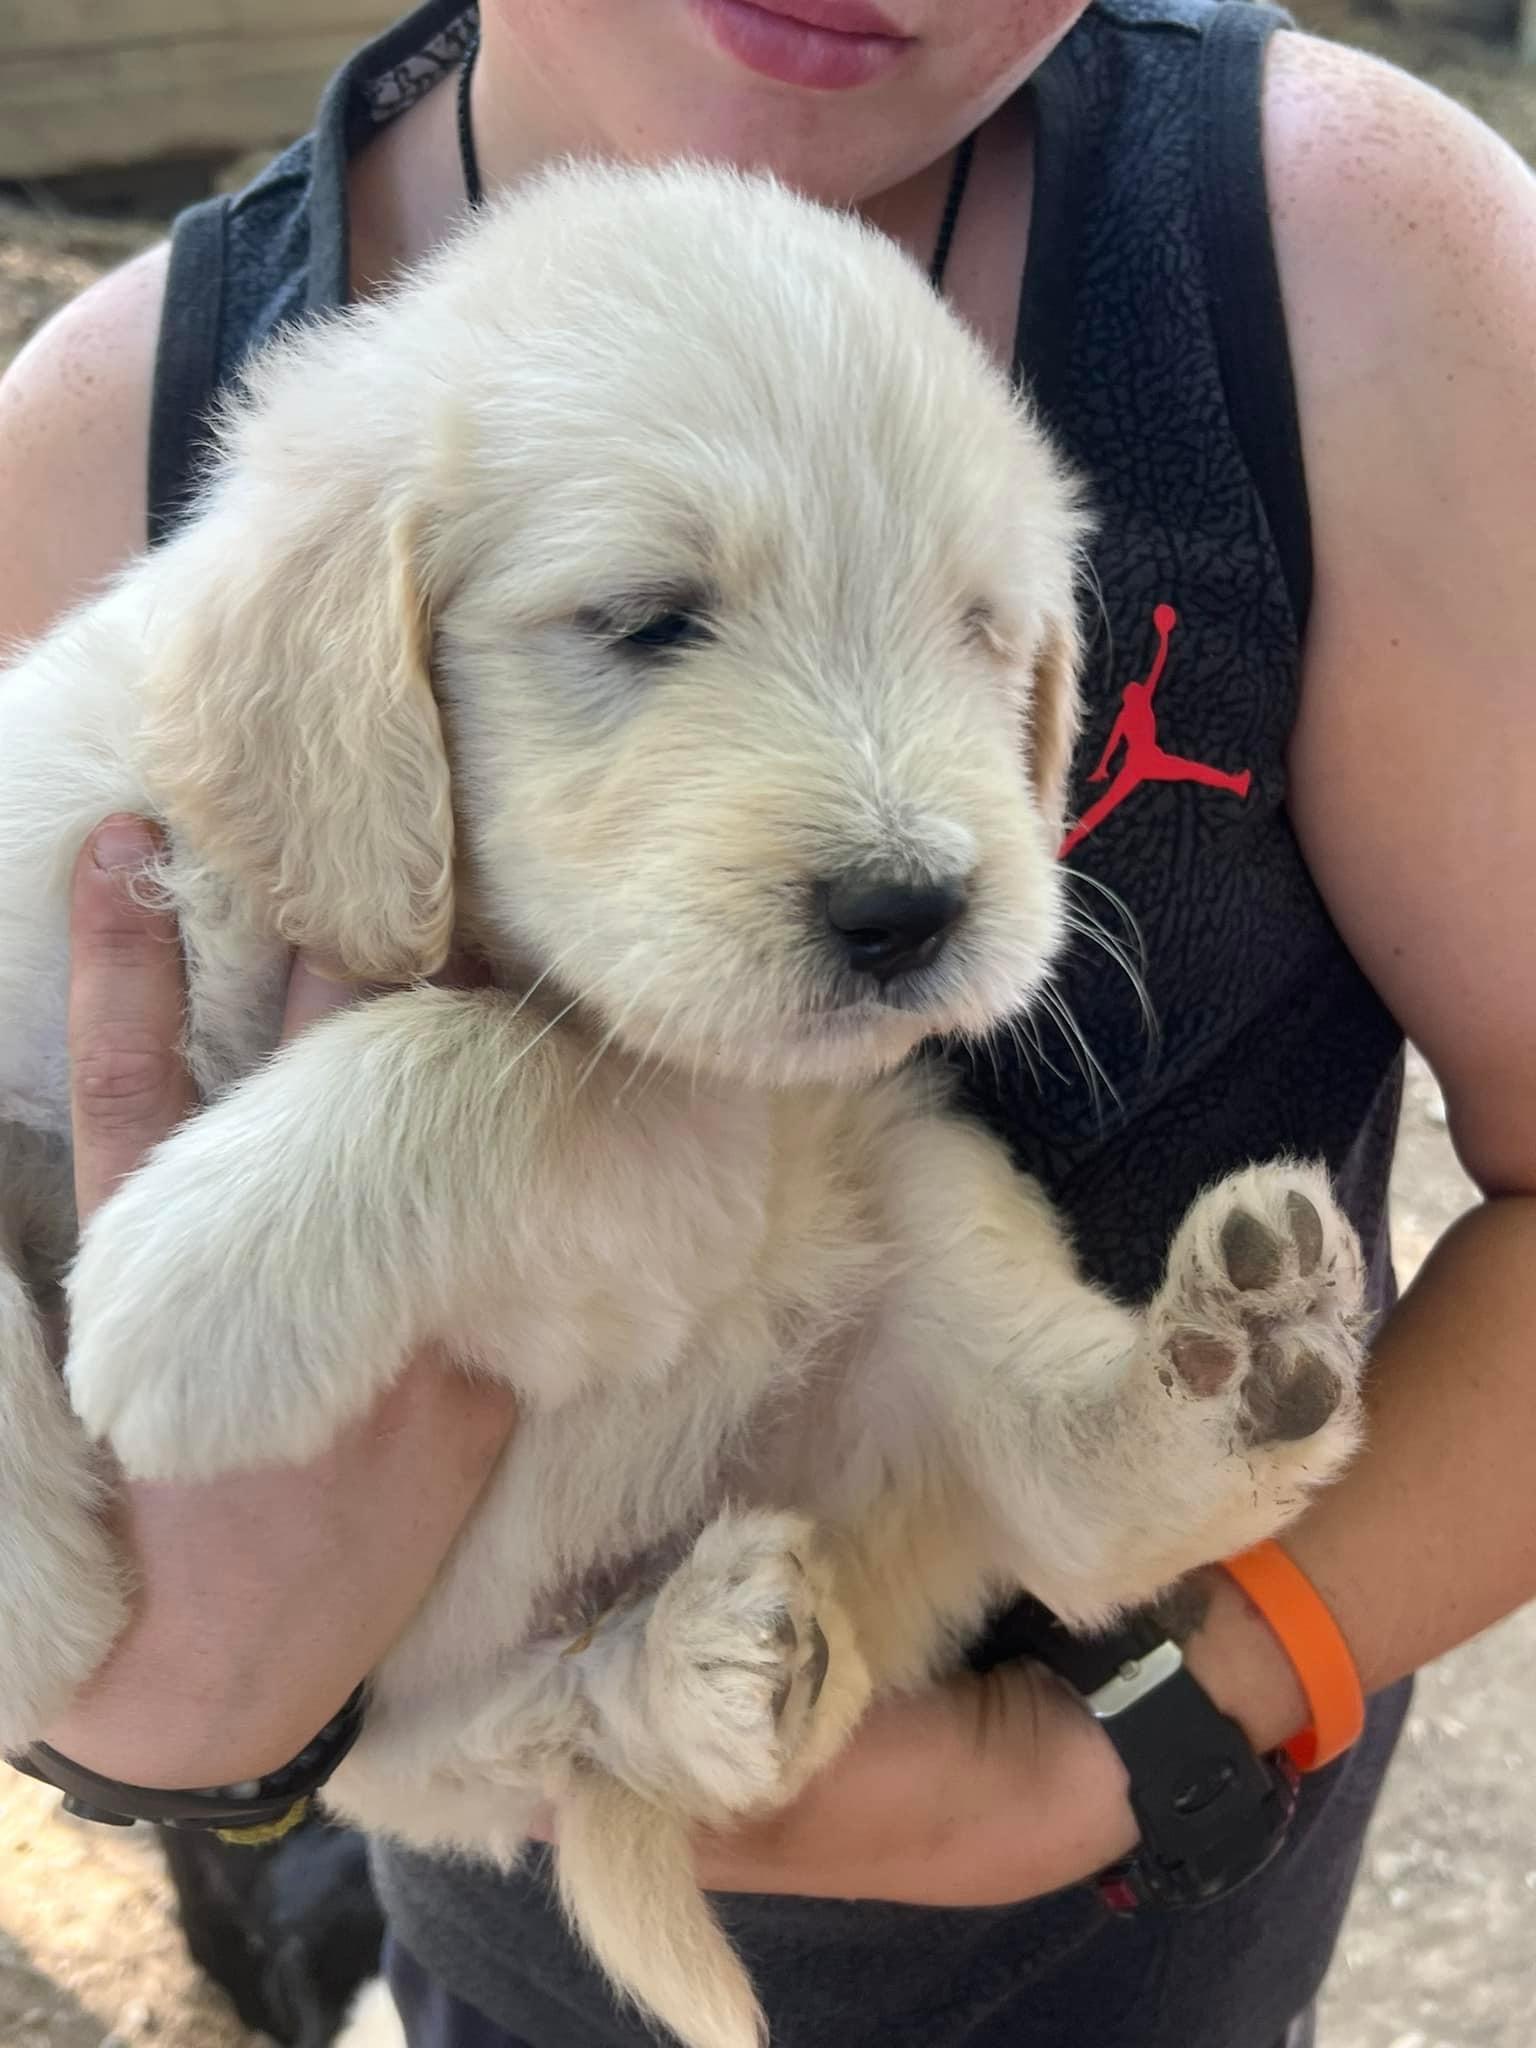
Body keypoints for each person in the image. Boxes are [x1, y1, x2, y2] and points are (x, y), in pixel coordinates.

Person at [2, 1, 1532, 2042]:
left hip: (1141, 1943)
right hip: (486, 1886)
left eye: (980, 635)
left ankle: (1087, 1458)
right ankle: (609, 1699)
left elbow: (713, 1206)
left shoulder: (1352, 262)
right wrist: (167, 1721)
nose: (906, 838)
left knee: (891, 1175)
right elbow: (120, 1680)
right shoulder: (114, 437)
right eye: (650, 620)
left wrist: (1122, 1750)